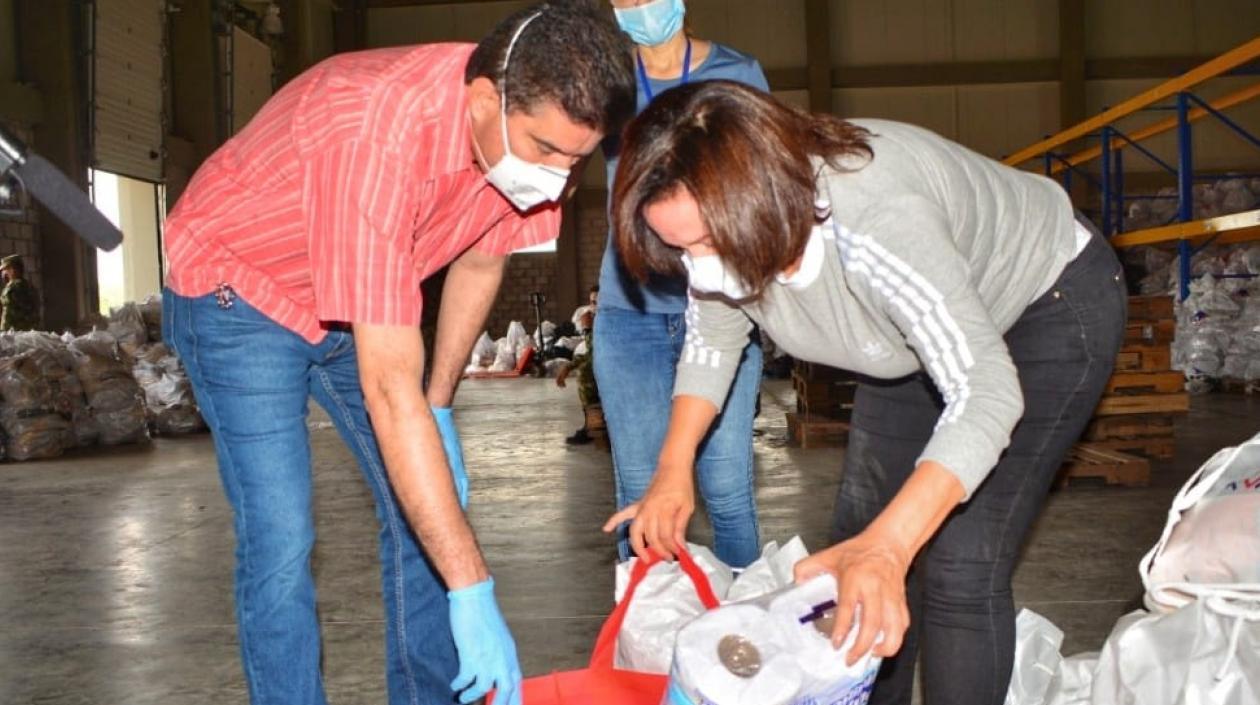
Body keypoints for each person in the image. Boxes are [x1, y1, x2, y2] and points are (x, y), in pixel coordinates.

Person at [160, 5, 634, 705]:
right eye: (545, 150)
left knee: (425, 504)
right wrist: (473, 587)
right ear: (484, 100)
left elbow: (480, 262)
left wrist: (438, 406)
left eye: (577, 158)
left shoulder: (526, 142)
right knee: (281, 536)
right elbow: (387, 387)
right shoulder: (371, 132)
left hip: (351, 287)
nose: (559, 177)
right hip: (239, 289)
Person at [604, 81, 1126, 705]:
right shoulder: (730, 234)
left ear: (762, 205)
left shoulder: (875, 222)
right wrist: (672, 467)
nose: (700, 268)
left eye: (710, 244)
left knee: (957, 563)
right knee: (856, 550)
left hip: (1042, 304)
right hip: (908, 340)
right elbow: (713, 338)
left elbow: (985, 391)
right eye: (681, 249)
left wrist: (892, 545)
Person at [596, 0, 768, 569]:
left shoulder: (738, 74)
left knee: (727, 491)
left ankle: (745, 617)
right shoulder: (607, 82)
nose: (638, 6)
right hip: (630, 313)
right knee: (640, 491)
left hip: (724, 308)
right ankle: (646, 620)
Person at [0, 254, 39, 331]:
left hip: (14, 333)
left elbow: (7, 313)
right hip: (30, 332)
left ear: (12, 270)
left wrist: (3, 332)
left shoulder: (11, 288)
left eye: (5, 270)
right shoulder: (30, 286)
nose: (3, 274)